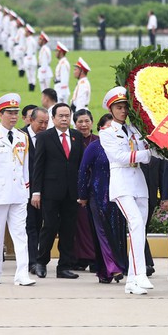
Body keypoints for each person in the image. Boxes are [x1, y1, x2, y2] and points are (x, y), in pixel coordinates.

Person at [99, 87, 154, 295]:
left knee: (139, 229)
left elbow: (149, 155)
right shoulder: (107, 133)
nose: (123, 111)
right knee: (136, 223)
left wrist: (144, 153)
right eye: (119, 107)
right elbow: (119, 157)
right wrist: (143, 153)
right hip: (121, 183)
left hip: (138, 182)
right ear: (111, 110)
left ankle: (132, 280)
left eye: (125, 107)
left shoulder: (134, 130)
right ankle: (140, 274)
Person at [0, 93, 35, 286]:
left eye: (16, 113)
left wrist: (26, 190)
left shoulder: (22, 137)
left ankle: (22, 272)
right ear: (0, 114)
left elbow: (25, 167)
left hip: (18, 193)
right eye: (9, 113)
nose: (13, 116)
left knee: (21, 234)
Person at [31, 103, 84, 280]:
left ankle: (64, 266)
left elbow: (81, 166)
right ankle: (41, 261)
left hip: (72, 192)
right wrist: (36, 192)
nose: (64, 119)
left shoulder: (76, 136)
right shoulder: (45, 137)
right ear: (53, 118)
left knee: (69, 230)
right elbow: (38, 166)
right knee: (50, 226)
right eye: (60, 116)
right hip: (50, 191)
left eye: (67, 116)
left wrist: (83, 191)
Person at [77, 113, 127, 284]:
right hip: (98, 196)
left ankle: (105, 272)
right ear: (100, 129)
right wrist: (83, 195)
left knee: (118, 233)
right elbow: (83, 172)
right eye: (107, 127)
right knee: (102, 232)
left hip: (119, 195)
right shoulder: (94, 147)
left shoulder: (123, 146)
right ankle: (113, 268)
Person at [22, 107, 49, 274]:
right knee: (30, 226)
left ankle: (36, 259)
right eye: (40, 122)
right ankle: (32, 261)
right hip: (24, 189)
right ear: (30, 120)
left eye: (47, 122)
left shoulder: (47, 137)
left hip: (43, 190)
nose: (44, 126)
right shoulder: (20, 137)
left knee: (39, 226)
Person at [72, 109, 97, 271]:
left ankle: (96, 259)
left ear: (92, 123)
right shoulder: (72, 141)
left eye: (86, 121)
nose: (83, 125)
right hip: (77, 189)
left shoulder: (97, 141)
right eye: (80, 121)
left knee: (94, 224)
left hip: (96, 189)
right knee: (79, 225)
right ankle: (80, 258)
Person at [23, 24, 38, 92]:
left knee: (30, 75)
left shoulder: (30, 40)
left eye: (26, 31)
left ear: (28, 32)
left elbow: (30, 51)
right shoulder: (31, 39)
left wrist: (28, 61)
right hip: (32, 58)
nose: (24, 33)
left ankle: (31, 89)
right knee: (31, 75)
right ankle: (31, 89)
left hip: (30, 59)